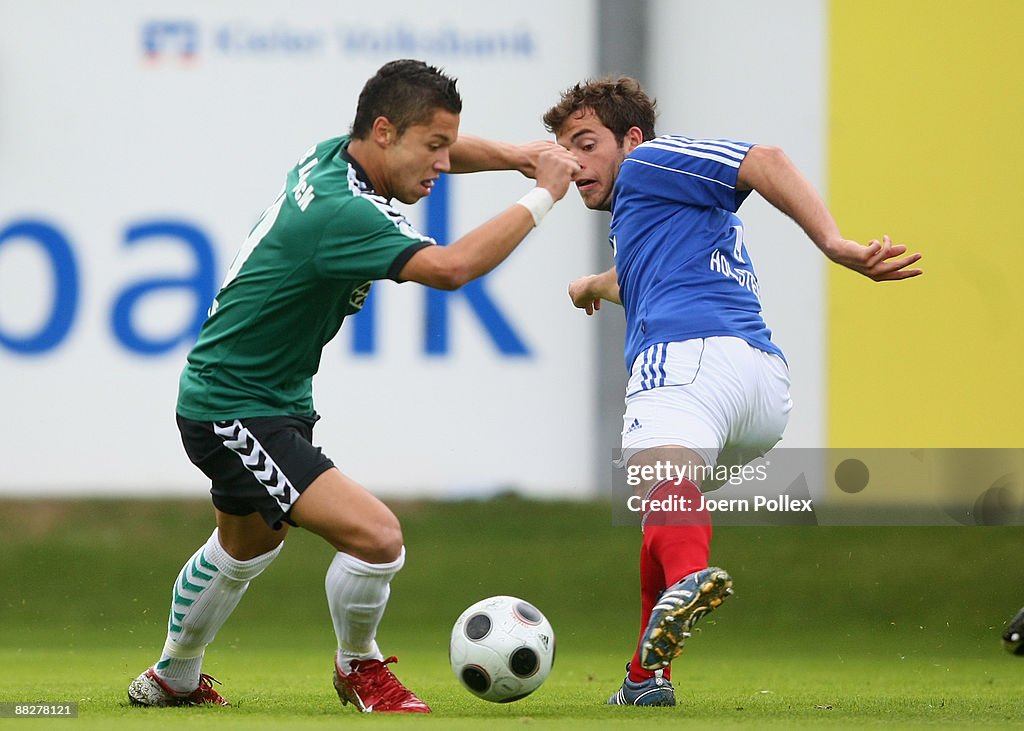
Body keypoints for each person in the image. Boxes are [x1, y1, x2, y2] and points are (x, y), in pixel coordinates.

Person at [127, 59, 580, 714]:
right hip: (237, 407)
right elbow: (452, 269)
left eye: (448, 146)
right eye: (433, 148)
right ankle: (359, 667)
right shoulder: (343, 213)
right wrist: (543, 192)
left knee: (246, 542)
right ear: (385, 131)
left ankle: (173, 675)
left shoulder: (335, 156)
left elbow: (436, 147)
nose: (445, 165)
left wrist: (515, 152)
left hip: (256, 396)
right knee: (377, 537)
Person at [542, 77, 922, 707]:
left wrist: (835, 244)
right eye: (562, 148)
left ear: (631, 140)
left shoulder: (648, 165)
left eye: (586, 143)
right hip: (760, 391)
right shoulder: (666, 211)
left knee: (658, 493)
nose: (572, 162)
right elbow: (646, 275)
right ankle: (645, 678)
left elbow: (765, 160)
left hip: (689, 359)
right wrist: (592, 285)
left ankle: (692, 578)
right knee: (663, 505)